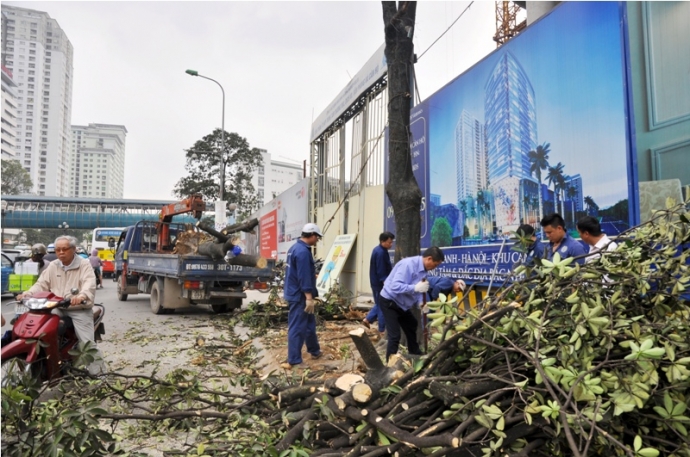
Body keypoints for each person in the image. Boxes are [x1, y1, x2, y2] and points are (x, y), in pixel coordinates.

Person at [17, 236, 106, 375]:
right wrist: (27, 293)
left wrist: (82, 296)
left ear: (74, 249)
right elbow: (42, 284)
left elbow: (89, 283)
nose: (61, 252)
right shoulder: (54, 265)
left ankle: (100, 375)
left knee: (87, 344)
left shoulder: (84, 264)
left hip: (79, 309)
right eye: (58, 250)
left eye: (64, 249)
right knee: (41, 332)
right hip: (57, 307)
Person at [378, 246, 445, 362]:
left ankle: (414, 354)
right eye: (435, 265)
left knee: (412, 324)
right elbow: (395, 286)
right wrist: (415, 287)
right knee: (394, 336)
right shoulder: (408, 265)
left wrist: (420, 304)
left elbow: (420, 291)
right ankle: (389, 364)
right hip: (390, 301)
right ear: (429, 259)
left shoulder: (424, 271)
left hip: (402, 304)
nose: (435, 268)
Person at [282, 223, 323, 368]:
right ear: (311, 236)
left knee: (309, 324)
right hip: (299, 296)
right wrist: (309, 298)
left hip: (294, 292)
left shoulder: (294, 248)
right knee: (297, 327)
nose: (317, 240)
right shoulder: (303, 252)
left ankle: (314, 350)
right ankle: (294, 359)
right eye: (317, 237)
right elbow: (303, 276)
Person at [363, 232, 395, 333]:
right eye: (389, 242)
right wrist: (385, 282)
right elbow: (380, 270)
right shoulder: (381, 253)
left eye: (391, 242)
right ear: (382, 241)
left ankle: (368, 319)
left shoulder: (379, 250)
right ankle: (381, 329)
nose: (391, 244)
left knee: (379, 303)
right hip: (380, 283)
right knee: (382, 305)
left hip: (376, 282)